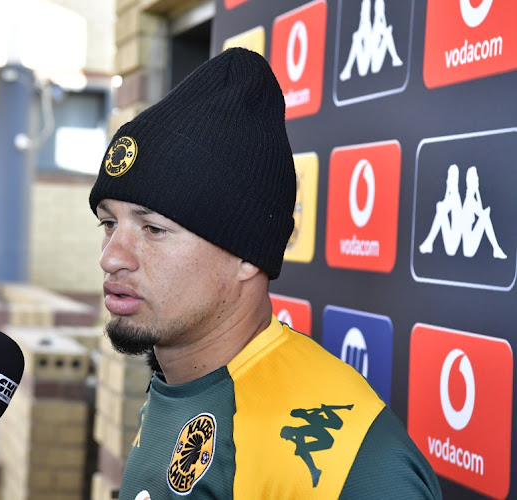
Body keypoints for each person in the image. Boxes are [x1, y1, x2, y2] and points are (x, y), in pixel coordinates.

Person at [89, 48, 441, 499]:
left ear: (247, 255)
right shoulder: (179, 379)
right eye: (108, 223)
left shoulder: (357, 466)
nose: (111, 256)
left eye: (153, 229)